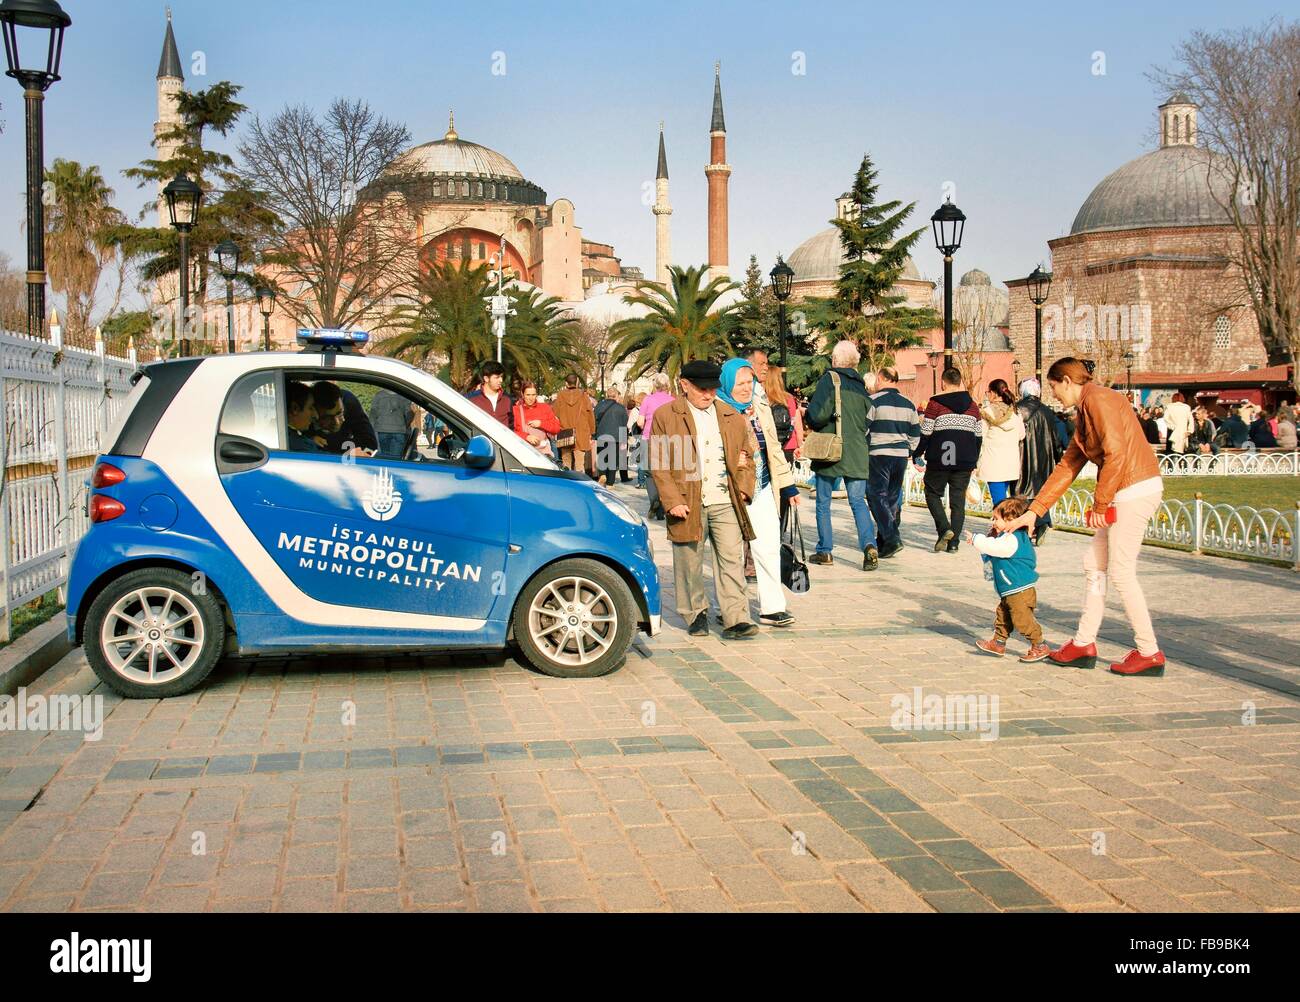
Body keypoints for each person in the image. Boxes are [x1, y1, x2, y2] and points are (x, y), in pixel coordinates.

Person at [1004, 357, 1165, 676]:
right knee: (1095, 565)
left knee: (1120, 572)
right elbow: (1067, 466)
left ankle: (1149, 651)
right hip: (1126, 489)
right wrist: (1035, 511)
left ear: (1066, 380)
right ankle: (1084, 642)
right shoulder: (1088, 409)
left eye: (1053, 386)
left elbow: (1117, 453)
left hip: (1133, 489)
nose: (1053, 395)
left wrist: (1101, 504)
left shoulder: (1099, 400)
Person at [650, 360, 759, 641]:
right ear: (684, 385)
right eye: (702, 389)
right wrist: (672, 499)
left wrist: (745, 489)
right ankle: (695, 613)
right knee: (689, 560)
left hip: (725, 499)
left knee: (731, 560)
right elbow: (658, 462)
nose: (709, 395)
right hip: (687, 500)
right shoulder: (666, 415)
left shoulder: (731, 416)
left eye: (713, 389)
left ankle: (736, 618)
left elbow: (747, 457)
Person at [718, 358, 801, 627]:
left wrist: (788, 486)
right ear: (727, 383)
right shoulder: (718, 410)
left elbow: (773, 448)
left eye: (749, 382)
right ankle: (733, 608)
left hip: (762, 485)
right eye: (739, 383)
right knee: (731, 553)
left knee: (767, 546)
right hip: (731, 490)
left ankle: (772, 607)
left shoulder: (758, 406)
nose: (745, 388)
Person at [806, 340, 880, 570]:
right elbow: (869, 419)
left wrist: (809, 418)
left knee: (823, 502)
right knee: (858, 502)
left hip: (832, 451)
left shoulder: (830, 380)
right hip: (858, 451)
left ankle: (825, 551)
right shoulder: (861, 387)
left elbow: (818, 415)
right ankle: (869, 545)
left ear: (835, 360)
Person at [967, 497, 1051, 663]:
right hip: (1011, 588)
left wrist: (977, 540)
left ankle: (1039, 645)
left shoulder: (1012, 538)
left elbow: (996, 548)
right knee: (1003, 615)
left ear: (1011, 520)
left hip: (1018, 588)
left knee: (1022, 619)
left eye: (996, 519)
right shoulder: (1009, 536)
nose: (993, 522)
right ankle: (998, 643)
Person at [914, 367, 982, 554]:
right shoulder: (973, 406)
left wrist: (917, 452)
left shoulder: (935, 404)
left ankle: (944, 528)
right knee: (958, 501)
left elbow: (926, 432)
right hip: (964, 459)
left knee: (932, 492)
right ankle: (954, 544)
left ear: (943, 382)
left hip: (941, 458)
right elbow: (978, 436)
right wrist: (973, 460)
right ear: (960, 382)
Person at [865, 367, 920, 559]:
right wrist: (909, 450)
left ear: (881, 379)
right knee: (891, 497)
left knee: (876, 495)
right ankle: (884, 542)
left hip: (879, 453)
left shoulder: (873, 401)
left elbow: (864, 428)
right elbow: (915, 433)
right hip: (900, 455)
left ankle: (891, 537)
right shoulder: (909, 404)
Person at [1014, 378, 1063, 546]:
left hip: (1022, 457)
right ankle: (1042, 522)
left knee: (1022, 493)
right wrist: (1058, 458)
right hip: (1044, 458)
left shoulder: (1018, 410)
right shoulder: (1048, 412)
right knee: (1041, 493)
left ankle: (1026, 528)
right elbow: (1056, 439)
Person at [977, 378, 1025, 506]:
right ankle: (1010, 524)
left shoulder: (987, 412)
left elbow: (980, 435)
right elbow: (1021, 435)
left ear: (993, 393)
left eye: (988, 392)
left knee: (998, 504)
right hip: (1011, 464)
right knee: (1008, 503)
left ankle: (1004, 525)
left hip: (993, 463)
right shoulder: (1014, 412)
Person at [639, 374, 675, 517]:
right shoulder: (673, 401)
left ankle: (654, 501)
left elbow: (640, 422)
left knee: (649, 472)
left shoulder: (647, 399)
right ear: (668, 386)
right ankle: (663, 505)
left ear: (655, 385)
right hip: (668, 440)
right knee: (666, 472)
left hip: (649, 437)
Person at [310, 381, 379, 454]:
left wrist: (324, 443)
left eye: (340, 413)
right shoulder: (307, 407)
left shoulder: (349, 402)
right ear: (312, 411)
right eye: (327, 417)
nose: (336, 422)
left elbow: (370, 445)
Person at [553, 372, 596, 474]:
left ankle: (567, 484)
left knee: (566, 463)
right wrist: (592, 431)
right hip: (581, 432)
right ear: (577, 382)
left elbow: (555, 414)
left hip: (565, 432)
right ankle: (579, 485)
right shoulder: (584, 396)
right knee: (580, 464)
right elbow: (590, 415)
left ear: (566, 383)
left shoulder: (560, 395)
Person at [594, 386, 631, 484]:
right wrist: (625, 439)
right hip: (616, 437)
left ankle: (602, 475)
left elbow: (594, 421)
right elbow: (624, 424)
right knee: (613, 460)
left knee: (602, 457)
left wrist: (594, 435)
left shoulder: (598, 406)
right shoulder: (621, 408)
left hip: (601, 435)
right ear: (616, 396)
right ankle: (610, 482)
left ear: (607, 395)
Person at [513, 381, 562, 456]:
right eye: (528, 395)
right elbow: (510, 431)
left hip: (544, 453)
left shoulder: (545, 407)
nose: (531, 398)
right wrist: (526, 437)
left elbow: (556, 428)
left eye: (533, 395)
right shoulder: (516, 410)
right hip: (524, 453)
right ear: (522, 394)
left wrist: (541, 424)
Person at [369, 387, 417, 457]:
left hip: (382, 429)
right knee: (396, 457)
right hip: (399, 431)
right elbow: (409, 413)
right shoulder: (404, 396)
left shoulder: (379, 395)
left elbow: (373, 413)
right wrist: (405, 425)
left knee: (385, 455)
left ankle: (387, 467)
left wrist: (371, 428)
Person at [466, 361, 513, 430]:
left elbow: (513, 425)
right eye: (497, 377)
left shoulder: (507, 399)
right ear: (486, 379)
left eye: (501, 377)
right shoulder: (471, 399)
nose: (501, 380)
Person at [286, 381, 325, 453]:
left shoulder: (288, 437)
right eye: (310, 408)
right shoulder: (300, 447)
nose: (315, 415)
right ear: (295, 409)